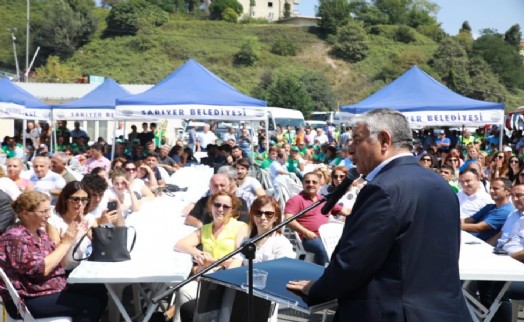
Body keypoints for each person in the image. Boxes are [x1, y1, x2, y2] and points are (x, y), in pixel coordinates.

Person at [286, 108, 471, 321]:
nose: (350, 149)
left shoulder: (382, 189)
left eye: (357, 139)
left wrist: (318, 289)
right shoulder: (440, 184)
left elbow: (354, 261)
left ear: (384, 140)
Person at [0, 191, 107, 321]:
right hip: (29, 298)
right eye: (43, 212)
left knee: (99, 291)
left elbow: (61, 264)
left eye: (48, 210)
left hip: (50, 288)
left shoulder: (41, 233)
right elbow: (41, 270)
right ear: (25, 213)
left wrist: (71, 240)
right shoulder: (15, 237)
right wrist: (65, 242)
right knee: (89, 305)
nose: (48, 215)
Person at [174, 191, 248, 322]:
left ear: (232, 210)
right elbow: (180, 244)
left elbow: (240, 261)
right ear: (211, 207)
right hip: (206, 277)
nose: (220, 209)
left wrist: (211, 261)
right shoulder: (206, 228)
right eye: (217, 205)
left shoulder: (240, 227)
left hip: (225, 279)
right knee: (184, 290)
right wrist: (198, 253)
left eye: (226, 207)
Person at [284, 172, 349, 266]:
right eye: (307, 182)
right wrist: (306, 232)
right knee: (322, 248)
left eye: (314, 182)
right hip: (309, 237)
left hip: (328, 236)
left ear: (319, 184)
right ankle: (323, 275)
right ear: (303, 184)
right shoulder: (296, 199)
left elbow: (345, 211)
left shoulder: (324, 199)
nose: (311, 184)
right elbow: (288, 219)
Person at [46, 181, 97, 271]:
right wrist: (69, 238)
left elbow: (100, 245)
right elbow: (56, 256)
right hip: (63, 271)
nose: (80, 204)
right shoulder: (54, 221)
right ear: (65, 199)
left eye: (84, 200)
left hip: (86, 269)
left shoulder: (90, 219)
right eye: (75, 199)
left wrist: (86, 226)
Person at [236, 195, 295, 263]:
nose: (263, 217)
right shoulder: (246, 241)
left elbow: (284, 269)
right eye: (258, 213)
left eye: (269, 214)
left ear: (276, 217)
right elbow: (236, 262)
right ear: (252, 215)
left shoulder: (282, 243)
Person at [184, 174, 249, 228]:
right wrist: (203, 227)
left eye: (222, 185)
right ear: (210, 187)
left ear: (229, 186)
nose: (219, 189)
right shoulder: (203, 201)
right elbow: (189, 218)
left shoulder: (239, 202)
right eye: (215, 186)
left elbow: (244, 223)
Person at [461, 177, 514, 242]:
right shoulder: (489, 206)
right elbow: (469, 220)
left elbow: (478, 228)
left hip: (482, 246)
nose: (491, 191)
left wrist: (453, 226)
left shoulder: (506, 211)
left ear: (508, 191)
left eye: (495, 189)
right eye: (490, 188)